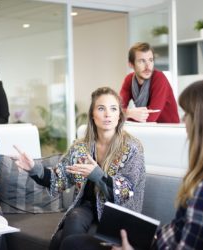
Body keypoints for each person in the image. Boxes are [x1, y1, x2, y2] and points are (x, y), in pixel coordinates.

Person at [14, 86, 146, 250]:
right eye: (101, 108)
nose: (107, 114)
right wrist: (34, 169)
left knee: (60, 240)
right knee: (74, 218)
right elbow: (58, 179)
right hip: (87, 207)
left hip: (117, 212)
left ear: (119, 115)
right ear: (92, 114)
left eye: (113, 109)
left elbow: (126, 192)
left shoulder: (132, 148)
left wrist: (96, 175)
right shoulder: (80, 147)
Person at [112, 80, 203, 250]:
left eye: (188, 114)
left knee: (76, 242)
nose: (183, 120)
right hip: (156, 241)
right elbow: (180, 231)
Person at [120, 42, 180, 123]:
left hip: (169, 130)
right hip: (147, 129)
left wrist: (126, 114)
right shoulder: (129, 79)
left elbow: (151, 117)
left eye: (150, 60)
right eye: (142, 61)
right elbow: (116, 110)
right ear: (131, 64)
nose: (148, 66)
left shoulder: (159, 78)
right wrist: (129, 113)